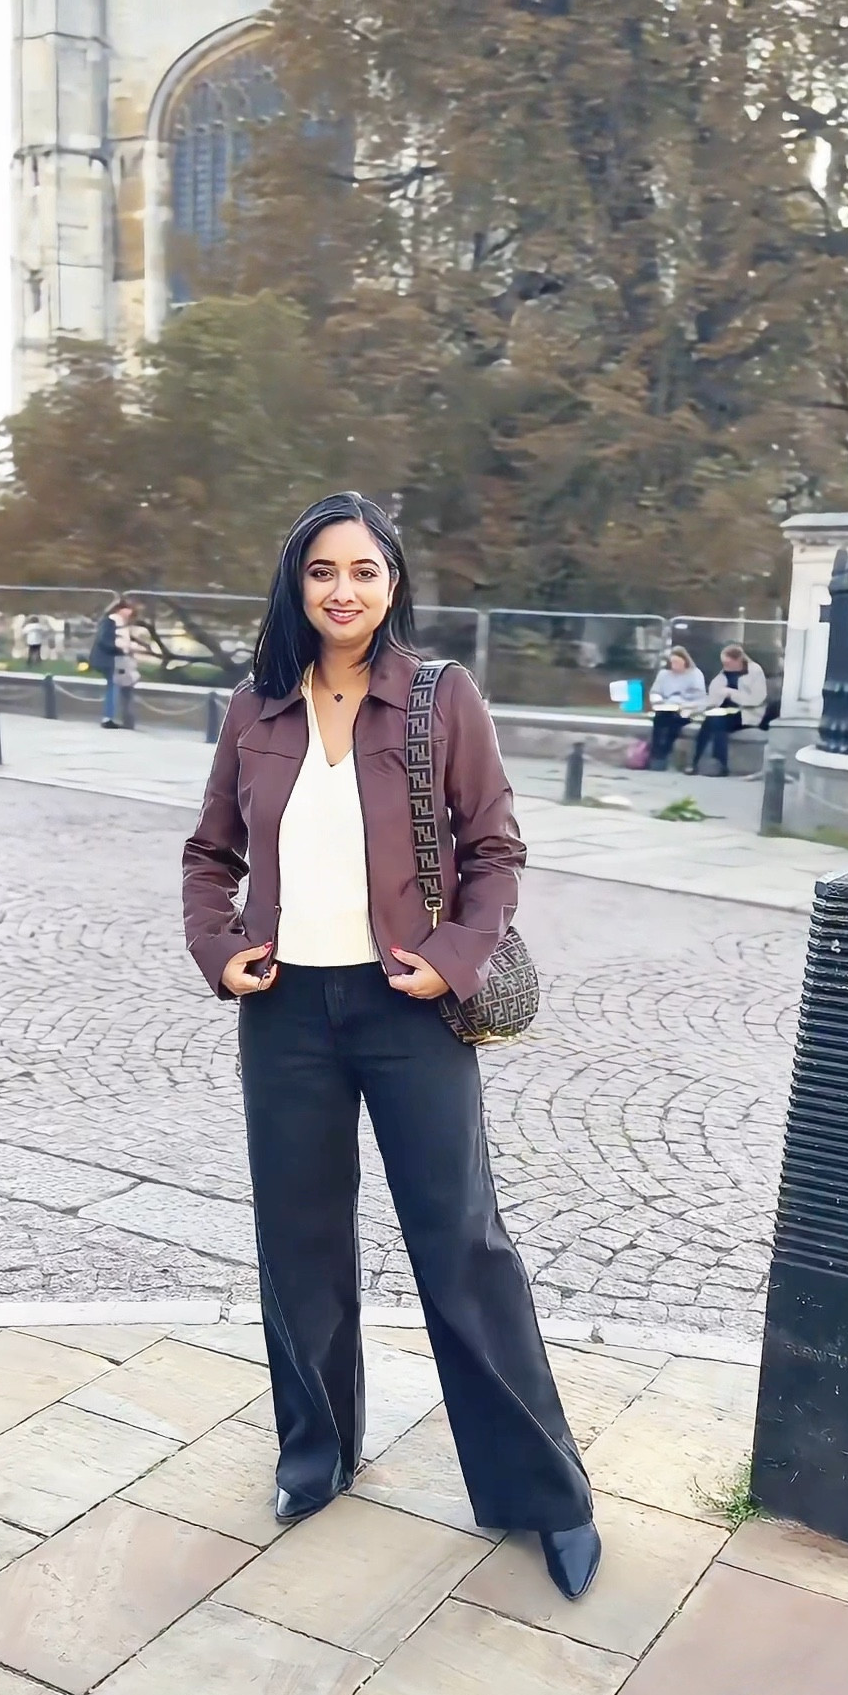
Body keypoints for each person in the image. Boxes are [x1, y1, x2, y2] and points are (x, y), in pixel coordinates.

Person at [182, 492, 600, 1602]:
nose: (343, 590)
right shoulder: (254, 708)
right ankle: (316, 1455)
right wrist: (218, 949)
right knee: (300, 1246)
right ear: (297, 584)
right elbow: (207, 855)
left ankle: (543, 1495)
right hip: (285, 1015)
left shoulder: (438, 699)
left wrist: (455, 956)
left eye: (363, 570)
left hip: (407, 1009)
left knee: (463, 1249)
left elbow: (498, 849)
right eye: (323, 570)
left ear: (392, 582)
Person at [688, 644, 768, 775]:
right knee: (710, 721)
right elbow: (713, 697)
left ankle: (719, 765)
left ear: (738, 660)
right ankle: (696, 762)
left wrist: (731, 693)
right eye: (723, 663)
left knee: (717, 721)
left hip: (746, 714)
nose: (725, 666)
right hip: (724, 712)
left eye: (728, 663)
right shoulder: (723, 674)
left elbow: (756, 699)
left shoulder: (754, 671)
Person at [647, 645, 707, 768]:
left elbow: (701, 699)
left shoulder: (695, 674)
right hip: (666, 707)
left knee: (673, 724)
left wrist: (686, 706)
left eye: (677, 662)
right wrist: (658, 701)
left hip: (686, 710)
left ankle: (663, 754)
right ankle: (655, 755)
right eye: (673, 662)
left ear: (685, 661)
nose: (675, 665)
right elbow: (655, 692)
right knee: (659, 721)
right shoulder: (664, 674)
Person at [90, 596, 136, 728]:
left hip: (113, 659)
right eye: (128, 609)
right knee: (114, 686)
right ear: (120, 609)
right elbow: (104, 640)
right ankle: (108, 717)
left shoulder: (119, 623)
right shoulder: (110, 621)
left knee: (118, 685)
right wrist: (119, 647)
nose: (130, 613)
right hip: (107, 659)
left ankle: (116, 717)